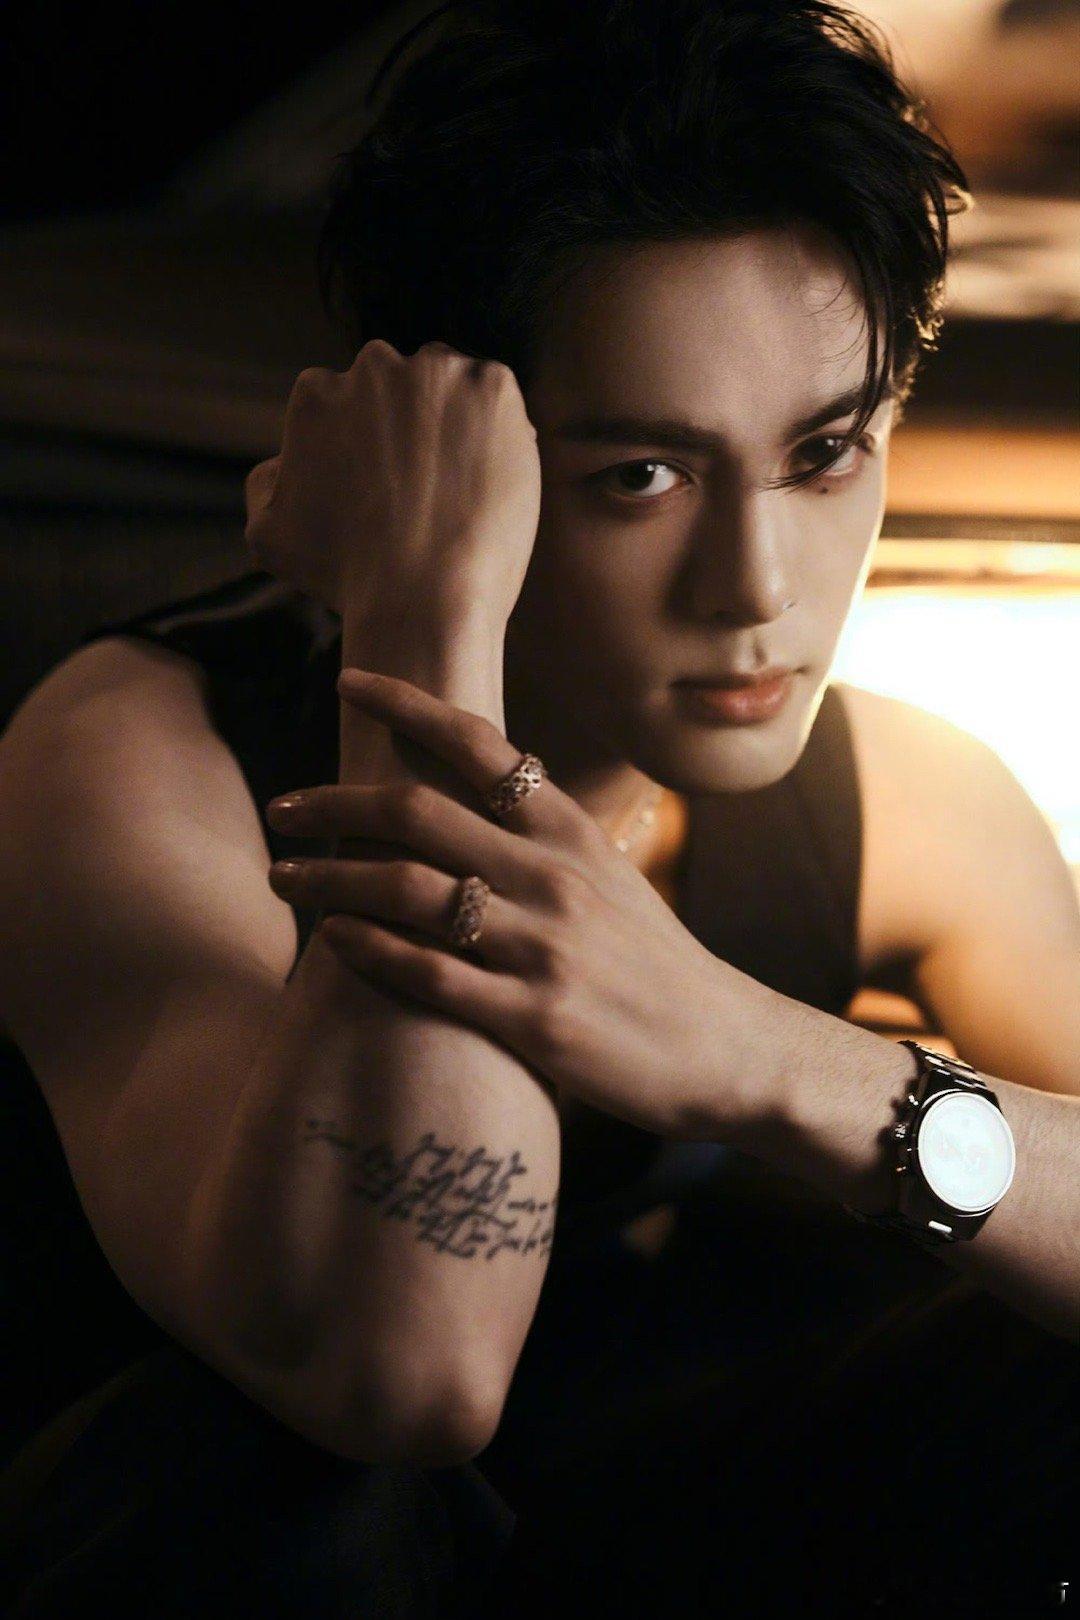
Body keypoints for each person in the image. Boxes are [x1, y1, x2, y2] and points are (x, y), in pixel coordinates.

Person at [1, 1, 1076, 1614]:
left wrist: (752, 1051)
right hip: (201, 1565)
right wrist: (424, 608)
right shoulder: (137, 760)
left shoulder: (911, 801)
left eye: (825, 452)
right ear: (457, 448)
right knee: (300, 1484)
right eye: (640, 475)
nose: (756, 588)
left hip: (635, 1546)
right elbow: (403, 1373)